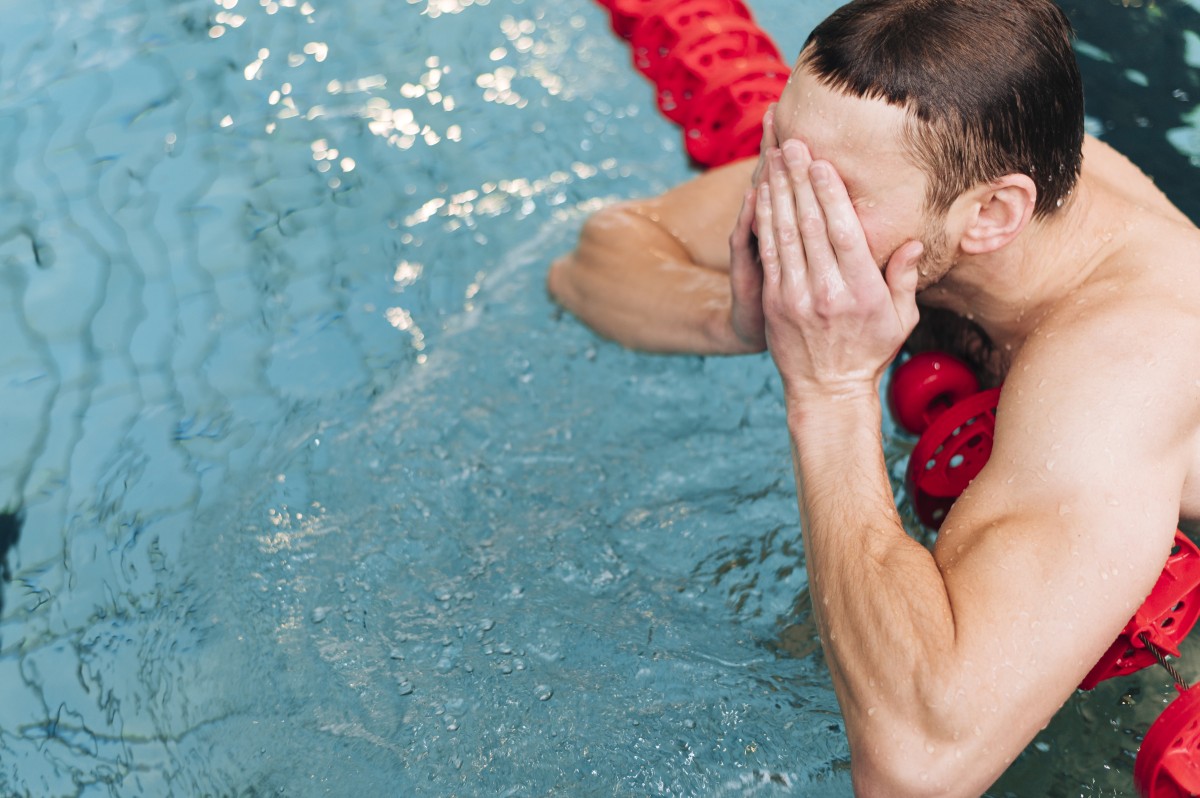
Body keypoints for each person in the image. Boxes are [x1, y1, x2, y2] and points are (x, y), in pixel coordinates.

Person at [547, 0, 1200, 795]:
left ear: (993, 214)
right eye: (777, 150)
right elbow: (592, 261)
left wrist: (830, 389)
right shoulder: (911, 165)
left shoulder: (1127, 363)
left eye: (832, 192)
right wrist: (735, 316)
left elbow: (918, 767)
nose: (790, 204)